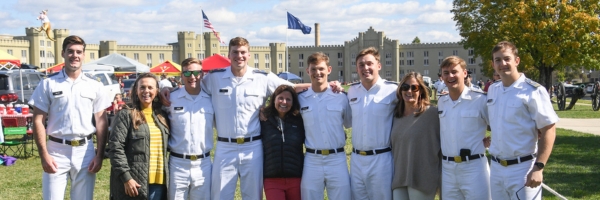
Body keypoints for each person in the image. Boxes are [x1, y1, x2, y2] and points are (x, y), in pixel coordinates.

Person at [159, 37, 341, 200]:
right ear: (229, 54)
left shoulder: (262, 77)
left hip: (253, 147)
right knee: (220, 195)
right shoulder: (215, 78)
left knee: (252, 195)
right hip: (225, 147)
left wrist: (325, 84)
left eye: (243, 52)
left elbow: (291, 88)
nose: (239, 56)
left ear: (249, 54)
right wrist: (166, 91)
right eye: (235, 52)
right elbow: (193, 87)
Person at [30, 35, 111, 199]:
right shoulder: (48, 84)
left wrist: (99, 155)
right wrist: (44, 155)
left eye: (79, 52)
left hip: (85, 151)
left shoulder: (95, 85)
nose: (75, 55)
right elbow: (37, 120)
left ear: (84, 55)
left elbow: (102, 122)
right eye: (70, 51)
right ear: (63, 53)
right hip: (56, 151)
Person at [487, 41, 558, 200]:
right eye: (498, 60)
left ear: (516, 61)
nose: (502, 64)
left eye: (507, 59)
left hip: (523, 168)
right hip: (497, 169)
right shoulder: (493, 90)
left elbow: (549, 129)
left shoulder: (533, 91)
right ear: (493, 64)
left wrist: (539, 167)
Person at [298, 52, 352, 200]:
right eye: (313, 69)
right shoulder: (301, 99)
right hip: (312, 159)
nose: (318, 73)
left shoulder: (341, 97)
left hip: (337, 159)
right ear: (308, 71)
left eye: (321, 69)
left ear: (329, 70)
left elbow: (349, 123)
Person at [108, 73, 170, 200]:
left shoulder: (162, 115)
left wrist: (168, 89)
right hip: (134, 182)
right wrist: (126, 178)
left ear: (156, 91)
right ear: (136, 90)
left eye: (150, 87)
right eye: (142, 87)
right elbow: (115, 148)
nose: (146, 91)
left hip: (158, 183)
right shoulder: (126, 114)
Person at [437, 56, 491, 199]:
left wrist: (493, 140)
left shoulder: (480, 100)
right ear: (442, 76)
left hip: (474, 167)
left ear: (465, 73)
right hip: (448, 169)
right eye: (446, 73)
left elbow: (499, 125)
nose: (450, 76)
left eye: (454, 72)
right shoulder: (442, 101)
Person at [347, 47, 396, 200]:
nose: (365, 68)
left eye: (370, 63)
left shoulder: (393, 90)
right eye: (361, 65)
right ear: (357, 68)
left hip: (381, 159)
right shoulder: (351, 91)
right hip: (356, 159)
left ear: (379, 66)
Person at [167, 58, 214, 200]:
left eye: (196, 73)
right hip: (177, 163)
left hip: (203, 164)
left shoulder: (212, 99)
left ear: (202, 74)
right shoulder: (171, 98)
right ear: (181, 75)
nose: (192, 77)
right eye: (187, 73)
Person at [390, 72, 441, 200]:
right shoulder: (395, 115)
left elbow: (450, 136)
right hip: (399, 178)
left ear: (421, 91)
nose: (409, 91)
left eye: (414, 87)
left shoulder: (432, 113)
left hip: (422, 178)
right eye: (405, 87)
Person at [261, 85, 305, 200]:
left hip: (296, 178)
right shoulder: (263, 120)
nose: (284, 102)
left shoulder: (300, 121)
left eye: (288, 99)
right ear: (274, 99)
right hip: (272, 179)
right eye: (280, 98)